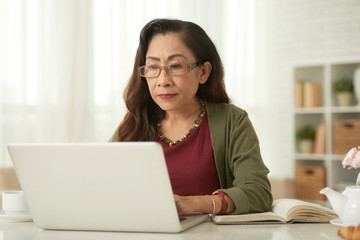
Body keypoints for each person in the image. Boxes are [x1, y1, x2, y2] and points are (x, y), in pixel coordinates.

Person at [110, 18, 272, 215]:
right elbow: (102, 185)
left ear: (203, 72)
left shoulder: (232, 120)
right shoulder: (133, 124)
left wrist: (194, 204)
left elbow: (258, 193)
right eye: (153, 67)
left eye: (175, 66)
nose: (163, 81)